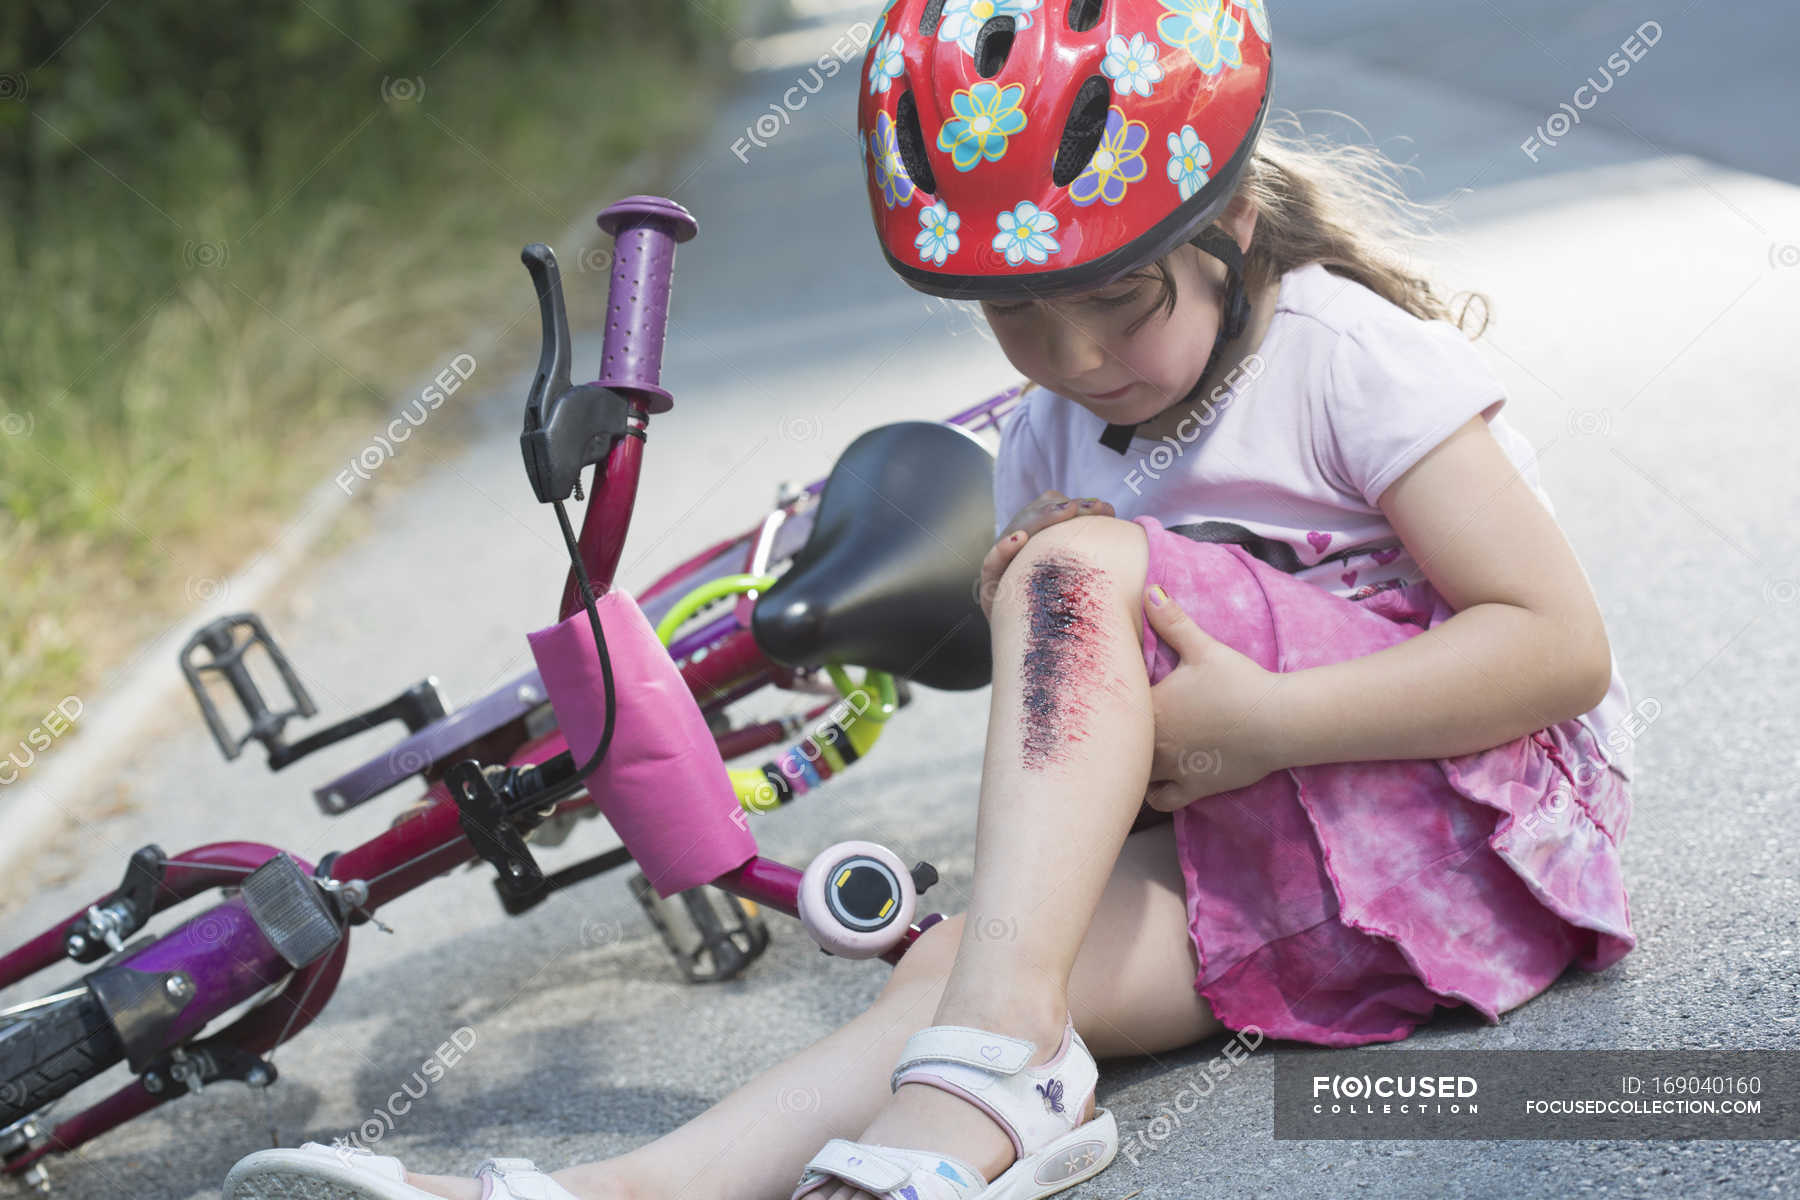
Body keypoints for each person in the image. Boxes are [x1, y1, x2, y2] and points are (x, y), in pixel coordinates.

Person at [224, 1, 1636, 1197]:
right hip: (1301, 879)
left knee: (1066, 573)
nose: (1077, 359)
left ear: (1235, 218)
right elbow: (1104, 757)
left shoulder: (1341, 352)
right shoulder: (1048, 429)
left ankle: (1002, 1056)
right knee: (963, 969)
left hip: (1457, 838)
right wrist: (1149, 738)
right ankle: (652, 1187)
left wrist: (1261, 720)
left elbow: (1558, 651)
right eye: (1020, 315)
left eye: (1123, 303)